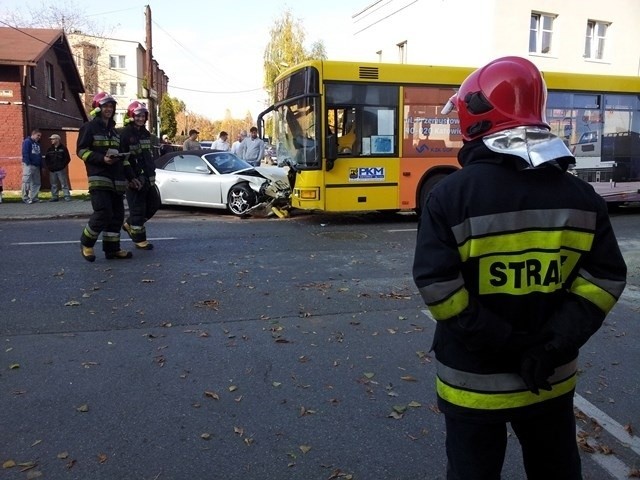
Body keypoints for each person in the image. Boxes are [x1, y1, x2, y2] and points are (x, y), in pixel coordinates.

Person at [412, 56, 627, 480]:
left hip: (473, 386)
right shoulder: (583, 198)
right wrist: (548, 348)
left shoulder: (449, 196)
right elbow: (603, 281)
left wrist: (505, 345)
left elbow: (439, 288)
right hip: (550, 378)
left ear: (474, 118)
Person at [78, 92, 140, 262]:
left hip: (117, 180)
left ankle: (112, 250)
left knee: (117, 215)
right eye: (105, 106)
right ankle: (86, 243)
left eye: (111, 106)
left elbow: (123, 158)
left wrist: (131, 177)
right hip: (99, 177)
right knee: (103, 211)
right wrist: (101, 158)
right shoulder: (89, 128)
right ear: (98, 108)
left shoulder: (114, 132)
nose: (109, 109)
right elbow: (81, 151)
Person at [120, 100, 157, 251]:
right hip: (134, 179)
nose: (141, 118)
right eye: (138, 116)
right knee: (137, 209)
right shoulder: (125, 134)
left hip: (147, 177)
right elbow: (123, 159)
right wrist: (130, 178)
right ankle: (139, 240)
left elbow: (147, 156)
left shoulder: (145, 134)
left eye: (143, 116)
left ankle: (129, 223)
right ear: (131, 116)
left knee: (154, 203)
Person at [44, 134, 72, 202]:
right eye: (51, 139)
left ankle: (67, 196)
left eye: (53, 139)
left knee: (64, 183)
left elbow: (67, 158)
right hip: (52, 170)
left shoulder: (63, 148)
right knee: (53, 184)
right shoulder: (49, 149)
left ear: (57, 139)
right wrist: (49, 167)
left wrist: (62, 166)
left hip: (61, 170)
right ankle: (54, 197)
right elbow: (47, 159)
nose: (51, 140)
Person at [21, 128, 42, 204]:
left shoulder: (37, 144)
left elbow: (39, 154)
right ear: (33, 134)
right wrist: (27, 163)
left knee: (36, 182)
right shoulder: (27, 142)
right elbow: (25, 153)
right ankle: (25, 197)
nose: (39, 137)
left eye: (40, 136)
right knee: (26, 181)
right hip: (29, 165)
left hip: (36, 165)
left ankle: (34, 197)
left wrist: (41, 165)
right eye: (38, 135)